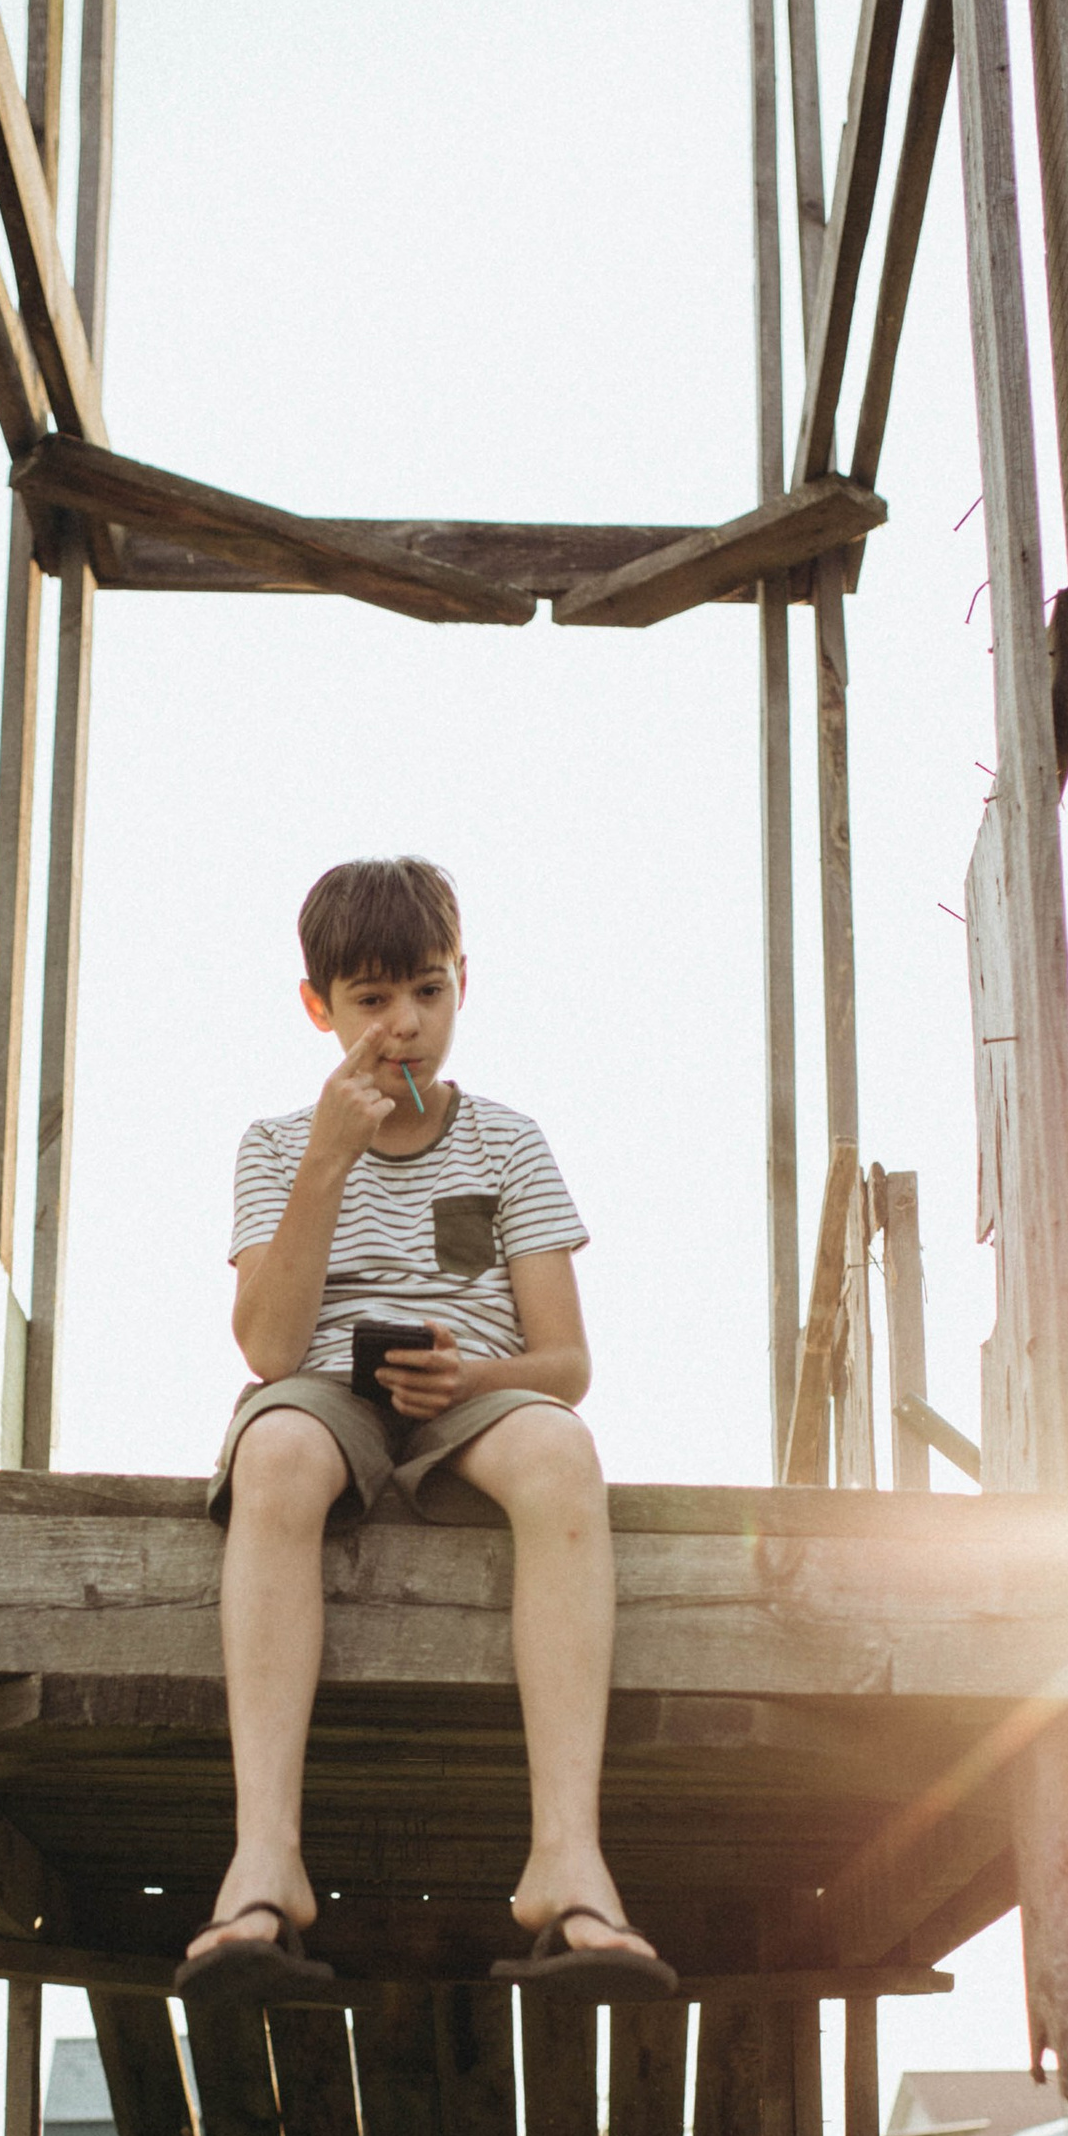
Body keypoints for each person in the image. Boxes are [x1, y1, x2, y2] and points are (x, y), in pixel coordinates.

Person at [176, 854, 671, 2006]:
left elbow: (568, 1366)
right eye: (371, 1000)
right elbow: (265, 1347)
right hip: (326, 1393)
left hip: (475, 1400)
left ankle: (567, 1858)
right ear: (320, 1008)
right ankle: (266, 1860)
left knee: (561, 1450)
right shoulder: (275, 1144)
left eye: (428, 993)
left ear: (461, 986)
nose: (404, 1026)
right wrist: (327, 1163)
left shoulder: (506, 1142)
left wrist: (472, 1376)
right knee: (278, 1448)